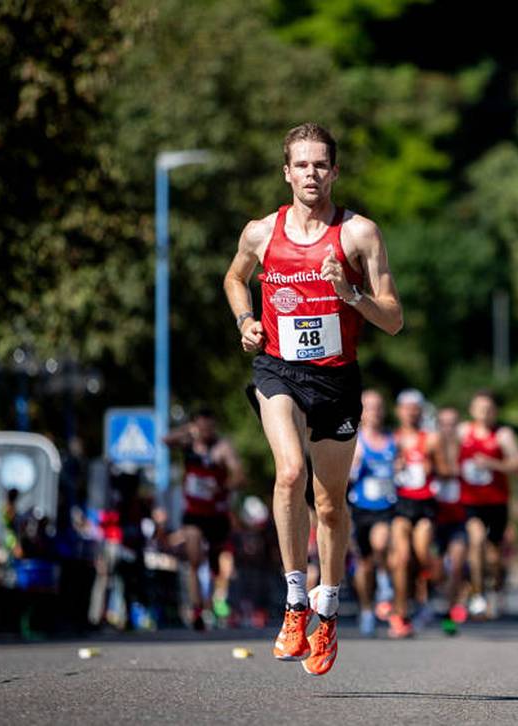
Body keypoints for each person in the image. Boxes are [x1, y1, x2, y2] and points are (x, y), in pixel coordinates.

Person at [223, 122, 403, 676]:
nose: (311, 173)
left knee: (329, 503)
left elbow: (393, 317)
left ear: (335, 171)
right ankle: (294, 601)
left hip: (337, 381)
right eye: (301, 164)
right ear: (286, 172)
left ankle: (328, 612)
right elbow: (234, 278)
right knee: (288, 473)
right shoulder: (261, 232)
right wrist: (246, 319)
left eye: (321, 164)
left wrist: (349, 293)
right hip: (277, 369)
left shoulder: (359, 235)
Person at [163, 408, 244, 630]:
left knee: (216, 565)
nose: (205, 432)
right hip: (194, 514)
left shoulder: (221, 448)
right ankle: (197, 609)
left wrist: (224, 486)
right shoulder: (188, 444)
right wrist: (187, 430)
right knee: (194, 560)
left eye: (209, 428)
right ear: (195, 426)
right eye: (200, 427)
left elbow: (239, 474)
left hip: (217, 514)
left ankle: (214, 601)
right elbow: (166, 440)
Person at [458, 390, 518, 619]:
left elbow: (517, 466)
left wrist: (493, 463)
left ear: (495, 411)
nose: (484, 413)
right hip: (470, 501)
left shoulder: (503, 435)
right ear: (472, 410)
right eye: (480, 408)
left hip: (496, 501)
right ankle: (477, 594)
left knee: (494, 555)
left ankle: (496, 586)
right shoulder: (463, 431)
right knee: (476, 541)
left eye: (489, 409)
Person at [347, 389, 399, 637]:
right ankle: (367, 609)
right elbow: (343, 477)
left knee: (381, 544)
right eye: (370, 407)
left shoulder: (392, 440)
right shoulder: (354, 441)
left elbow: (404, 470)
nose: (375, 412)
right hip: (361, 508)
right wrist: (353, 465)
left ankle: (385, 585)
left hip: (385, 508)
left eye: (379, 407)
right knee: (363, 565)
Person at [391, 389, 439, 633]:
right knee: (402, 559)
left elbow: (449, 469)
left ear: (420, 411)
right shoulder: (393, 439)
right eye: (406, 408)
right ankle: (400, 612)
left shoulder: (430, 439)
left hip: (424, 504)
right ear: (399, 411)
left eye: (414, 408)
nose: (410, 412)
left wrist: (434, 465)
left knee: (421, 554)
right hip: (400, 504)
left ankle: (423, 599)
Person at [431, 406, 470, 628]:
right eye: (443, 424)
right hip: (435, 519)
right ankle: (433, 600)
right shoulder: (430, 449)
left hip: (458, 518)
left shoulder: (466, 450)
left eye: (452, 423)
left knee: (456, 566)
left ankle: (450, 612)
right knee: (435, 571)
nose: (448, 428)